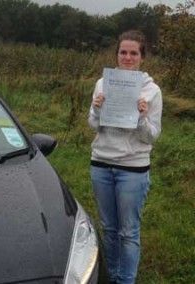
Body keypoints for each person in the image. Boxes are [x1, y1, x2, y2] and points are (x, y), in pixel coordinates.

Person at [88, 30, 163, 284]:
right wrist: (97, 109)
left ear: (142, 57)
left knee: (128, 231)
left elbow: (151, 136)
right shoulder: (102, 83)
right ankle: (113, 275)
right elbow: (92, 124)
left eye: (134, 53)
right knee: (108, 228)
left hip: (132, 169)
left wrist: (141, 117)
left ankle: (126, 280)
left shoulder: (152, 91)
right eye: (123, 52)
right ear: (116, 54)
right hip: (101, 164)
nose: (127, 57)